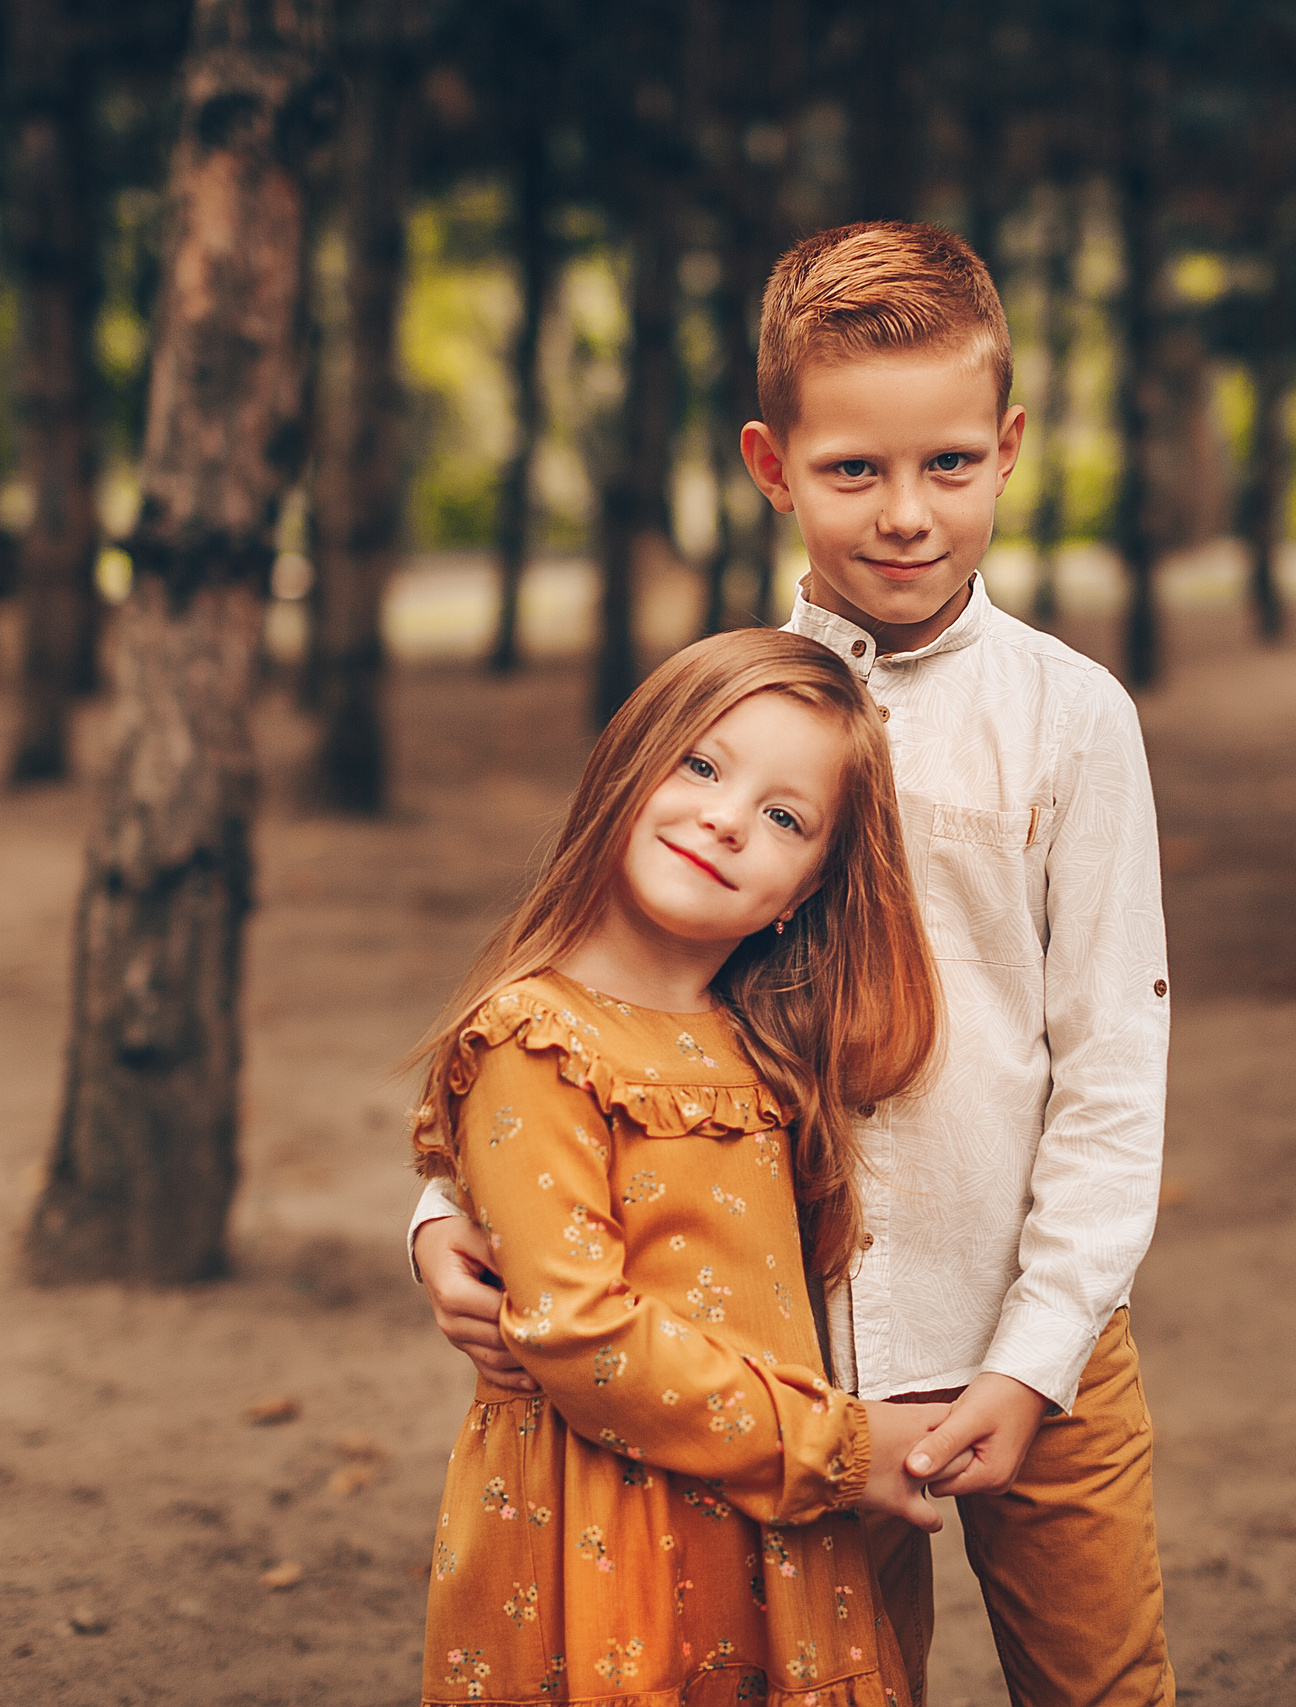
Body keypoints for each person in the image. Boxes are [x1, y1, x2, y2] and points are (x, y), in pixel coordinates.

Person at [416, 221, 1176, 1704]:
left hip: (1042, 1322)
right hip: (787, 1359)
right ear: (773, 463)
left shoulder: (1072, 719)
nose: (906, 513)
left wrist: (1033, 1352)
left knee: (1106, 1685)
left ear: (1010, 446)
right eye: (854, 470)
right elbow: (590, 976)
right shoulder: (731, 723)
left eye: (951, 464)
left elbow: (1111, 1061)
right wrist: (446, 1207)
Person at [408, 626, 953, 1705]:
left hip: (763, 1526)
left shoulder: (763, 1049)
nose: (724, 817)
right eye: (701, 765)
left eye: (784, 817)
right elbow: (577, 1329)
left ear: (804, 889)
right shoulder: (534, 1037)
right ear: (627, 766)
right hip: (606, 1535)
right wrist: (841, 1451)